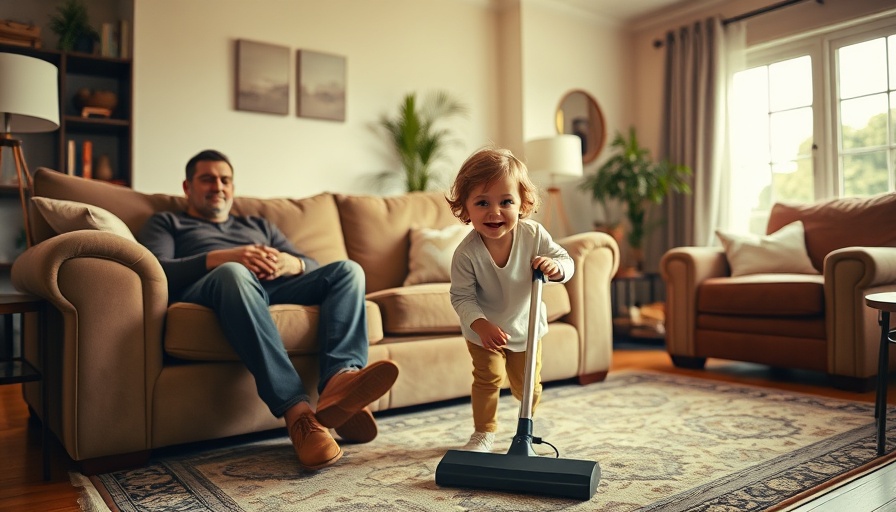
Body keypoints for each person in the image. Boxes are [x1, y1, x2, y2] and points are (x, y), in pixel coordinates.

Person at [137, 149, 398, 471]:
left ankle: (339, 382)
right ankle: (299, 416)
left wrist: (295, 263)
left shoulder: (257, 224)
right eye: (207, 179)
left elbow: (313, 264)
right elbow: (155, 270)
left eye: (225, 180)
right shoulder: (167, 222)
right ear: (188, 187)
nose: (218, 186)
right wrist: (222, 257)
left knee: (347, 270)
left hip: (271, 287)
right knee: (234, 272)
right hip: (213, 287)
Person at [445, 147, 574, 452]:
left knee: (527, 385)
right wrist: (480, 324)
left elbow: (565, 259)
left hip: (525, 327)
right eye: (482, 203)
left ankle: (525, 424)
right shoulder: (466, 253)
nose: (495, 212)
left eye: (506, 202)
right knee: (488, 378)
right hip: (483, 329)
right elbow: (461, 296)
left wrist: (557, 268)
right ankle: (483, 432)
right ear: (465, 208)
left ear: (522, 203)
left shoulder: (533, 235)